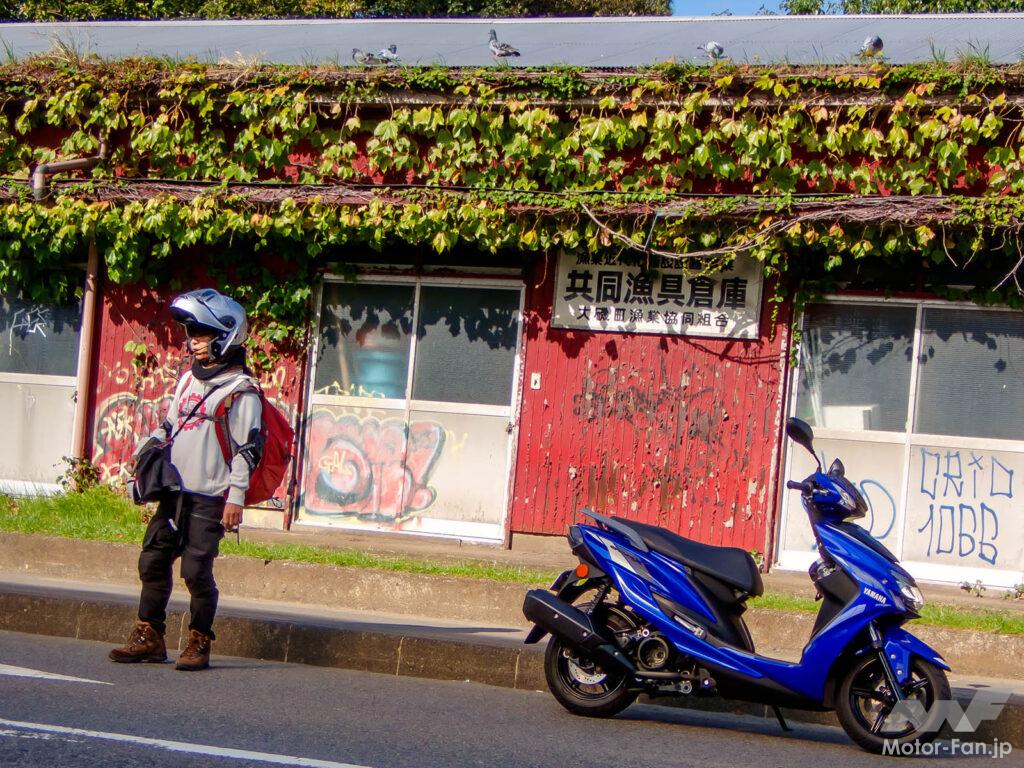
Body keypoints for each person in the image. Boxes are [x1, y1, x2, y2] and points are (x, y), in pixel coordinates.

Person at [109, 288, 263, 671]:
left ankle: (199, 641)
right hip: (174, 492)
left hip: (210, 497)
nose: (192, 342)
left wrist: (236, 499)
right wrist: (146, 451)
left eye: (202, 334)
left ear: (226, 336)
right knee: (153, 561)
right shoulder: (189, 381)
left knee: (196, 571)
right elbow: (170, 425)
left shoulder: (242, 392)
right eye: (191, 333)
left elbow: (248, 450)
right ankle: (150, 637)